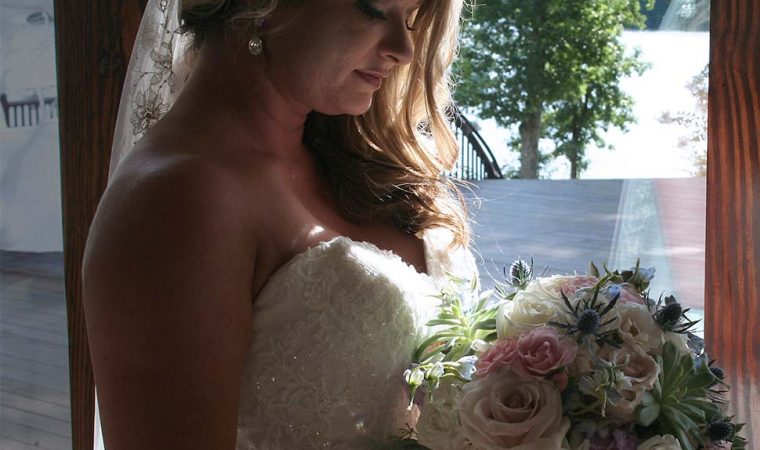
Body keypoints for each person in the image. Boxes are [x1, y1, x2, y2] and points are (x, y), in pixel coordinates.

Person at [80, 0, 475, 448]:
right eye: (373, 9)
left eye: (410, 19)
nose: (404, 50)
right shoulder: (174, 201)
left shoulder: (353, 158)